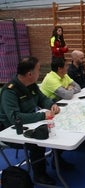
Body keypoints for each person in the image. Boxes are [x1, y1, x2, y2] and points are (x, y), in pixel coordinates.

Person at [0, 56, 60, 185]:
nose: (40, 72)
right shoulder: (9, 91)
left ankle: (58, 161)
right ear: (30, 74)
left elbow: (42, 99)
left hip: (30, 122)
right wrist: (42, 116)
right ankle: (39, 175)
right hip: (9, 130)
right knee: (38, 141)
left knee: (57, 130)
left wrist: (51, 105)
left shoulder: (32, 85)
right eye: (38, 69)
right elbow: (15, 118)